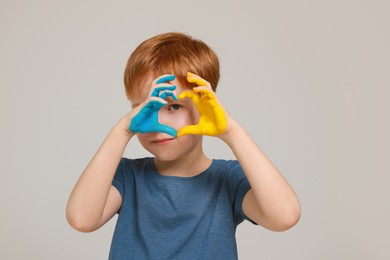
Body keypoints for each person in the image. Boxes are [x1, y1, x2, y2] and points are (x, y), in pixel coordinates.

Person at [66, 32, 301, 259]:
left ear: (206, 107)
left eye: (174, 107)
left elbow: (284, 217)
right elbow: (82, 219)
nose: (157, 123)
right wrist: (122, 130)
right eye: (144, 107)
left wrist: (231, 131)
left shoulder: (228, 179)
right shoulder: (128, 176)